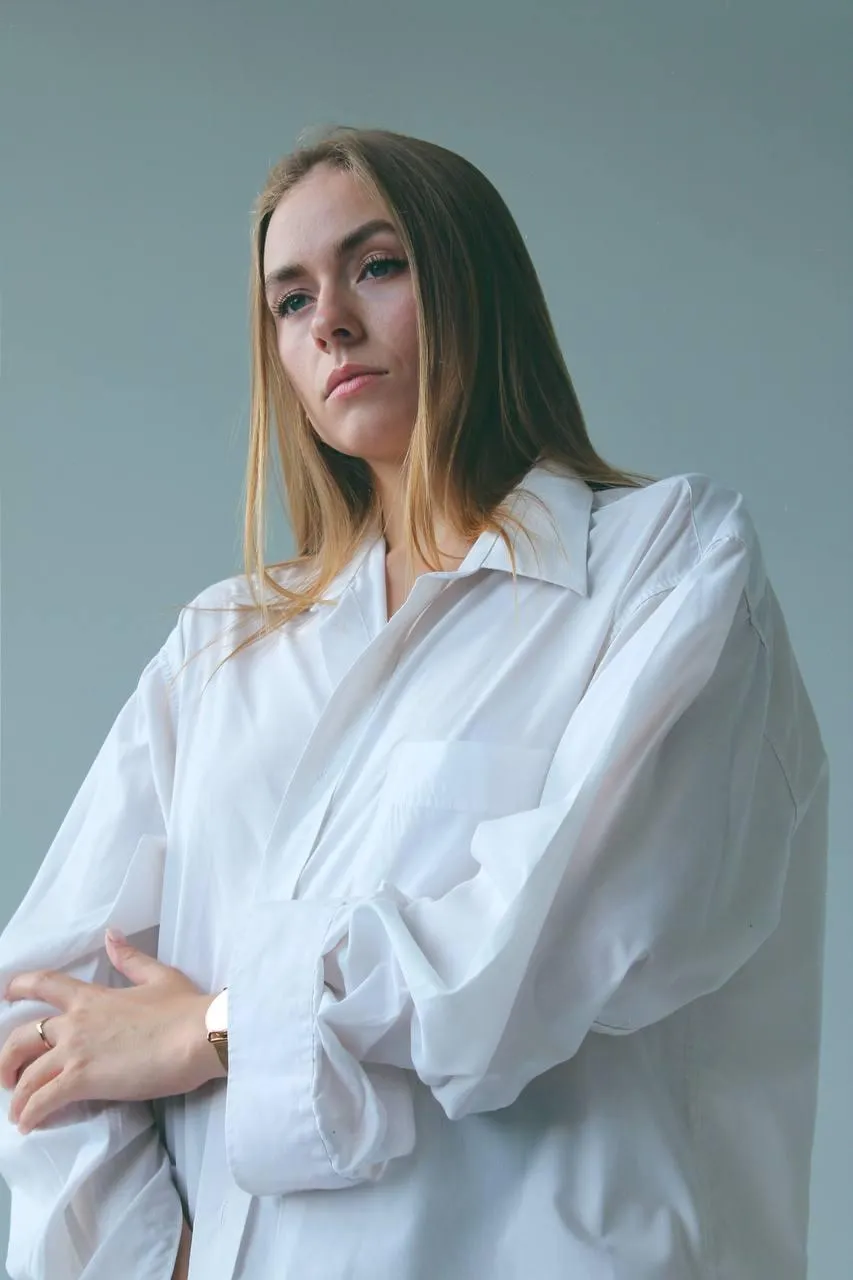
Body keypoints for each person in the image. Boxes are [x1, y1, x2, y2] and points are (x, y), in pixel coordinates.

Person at [0, 125, 828, 1280]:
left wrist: (213, 1029)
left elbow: (537, 943)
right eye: (290, 299)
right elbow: (42, 1028)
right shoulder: (220, 650)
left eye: (374, 265)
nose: (328, 319)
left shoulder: (665, 567)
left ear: (472, 284)